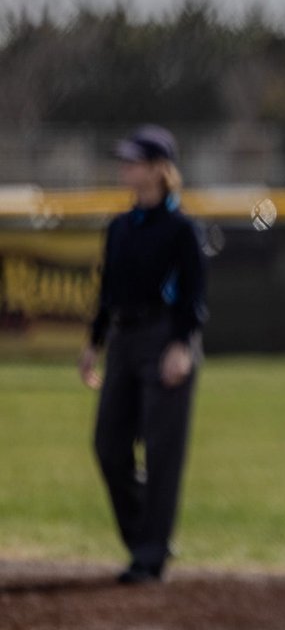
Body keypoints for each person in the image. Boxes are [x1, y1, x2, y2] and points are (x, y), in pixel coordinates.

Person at [78, 124, 207, 585]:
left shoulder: (182, 228)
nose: (125, 167)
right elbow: (107, 291)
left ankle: (150, 556)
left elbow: (194, 296)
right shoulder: (119, 227)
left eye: (135, 161)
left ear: (158, 169)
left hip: (165, 338)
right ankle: (146, 536)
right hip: (125, 339)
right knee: (108, 445)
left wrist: (181, 346)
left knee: (162, 450)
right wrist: (94, 343)